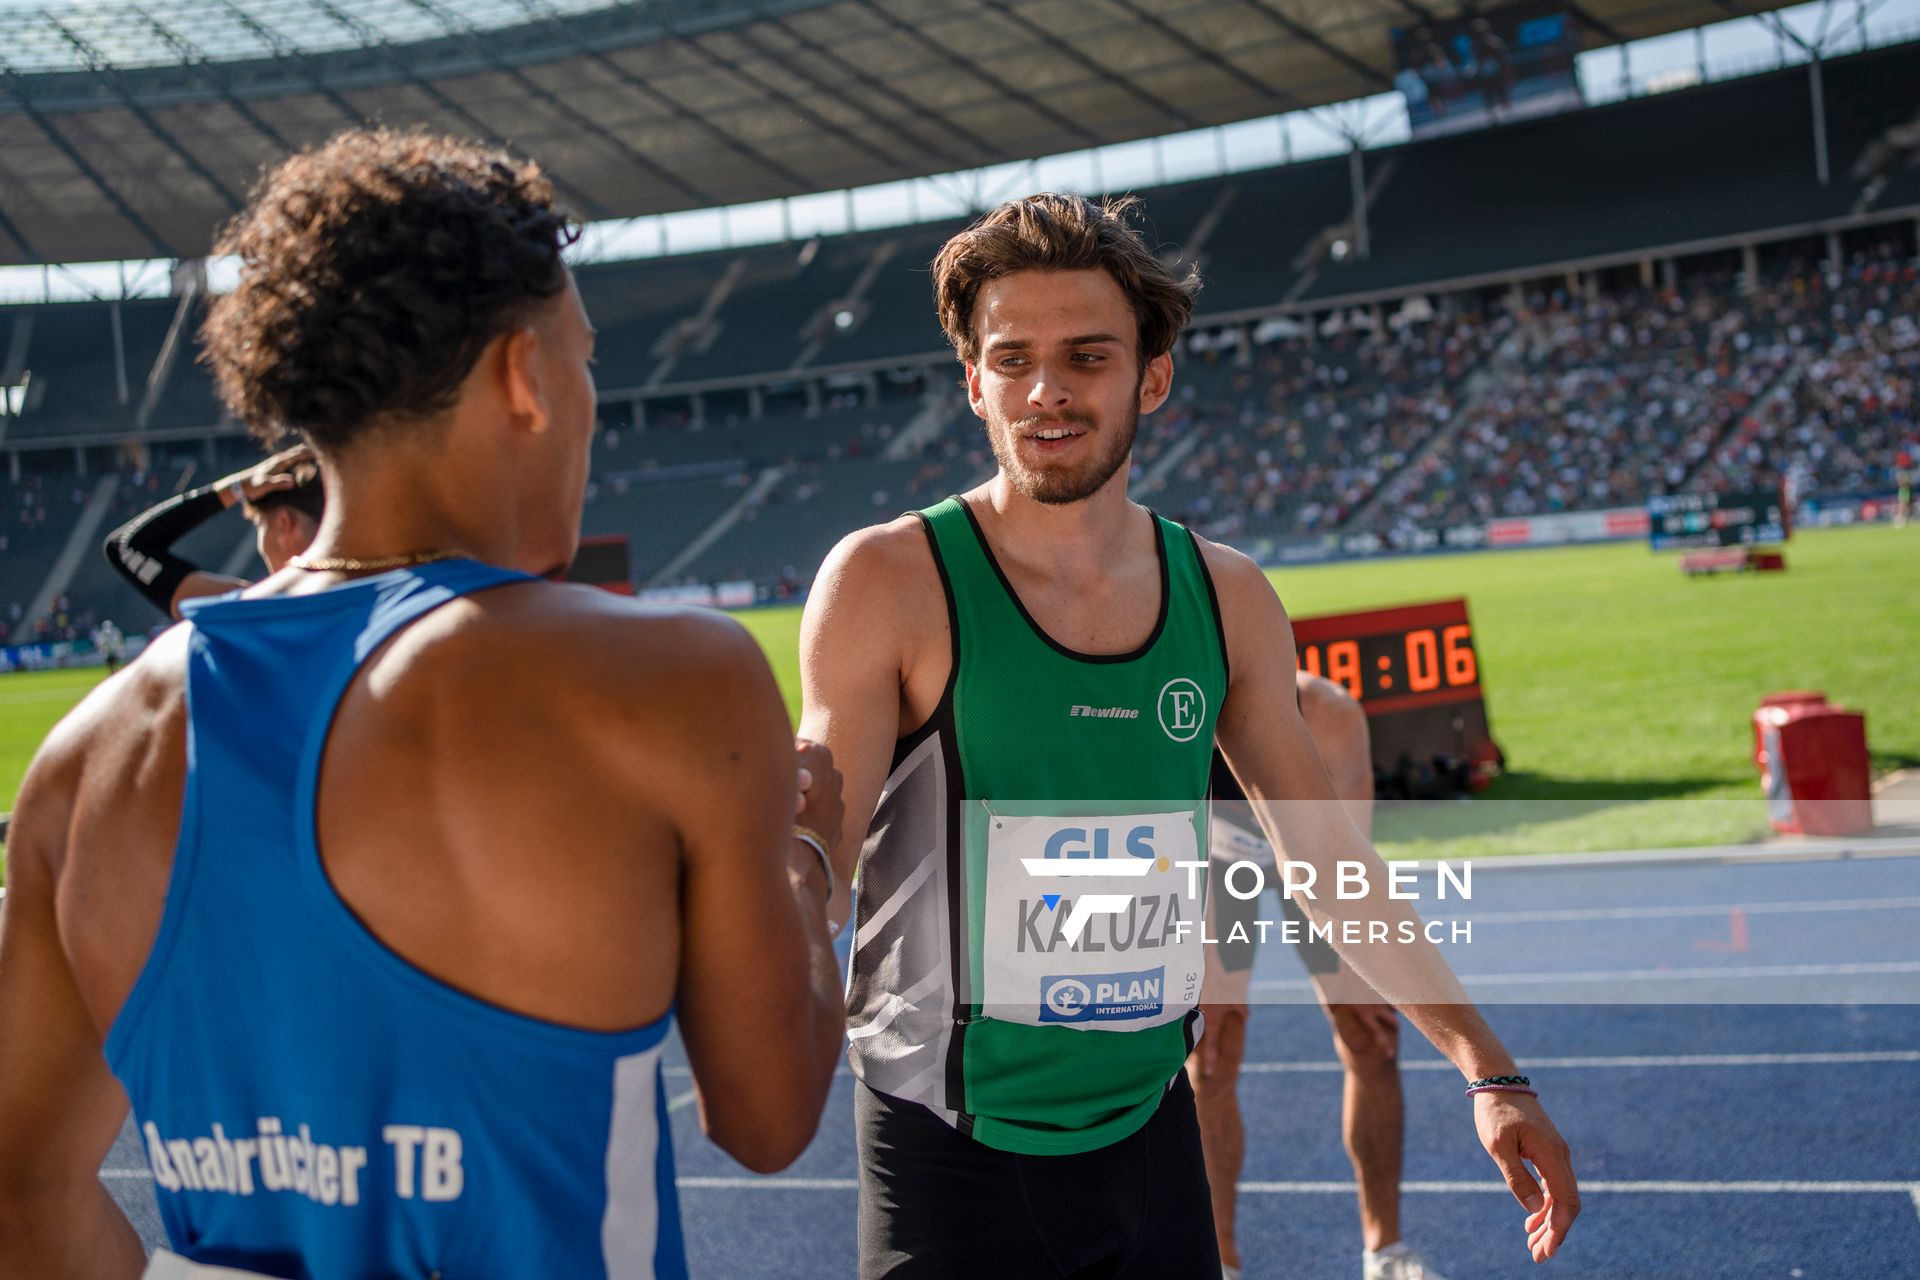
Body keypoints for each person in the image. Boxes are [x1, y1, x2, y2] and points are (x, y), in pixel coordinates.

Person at [0, 129, 855, 1280]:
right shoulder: (667, 680)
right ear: (523, 374)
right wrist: (806, 857)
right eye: (584, 360)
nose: (589, 400)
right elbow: (768, 1116)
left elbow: (21, 1196)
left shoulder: (85, 760)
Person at [801, 192, 1578, 1279]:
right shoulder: (887, 581)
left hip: (1152, 1139)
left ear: (1151, 378)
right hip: (946, 1155)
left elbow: (1326, 859)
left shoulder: (1226, 597)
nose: (1046, 390)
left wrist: (1490, 1070)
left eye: (1087, 356)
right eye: (1012, 359)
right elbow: (817, 859)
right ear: (974, 382)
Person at [1193, 676, 1448, 1280]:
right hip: (1211, 856)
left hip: (1313, 857)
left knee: (1372, 1032)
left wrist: (1363, 974)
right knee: (1212, 1048)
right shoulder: (1185, 708)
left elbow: (1347, 860)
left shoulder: (1332, 716)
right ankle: (1220, 1260)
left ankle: (1386, 1251)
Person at [104, 444, 323, 621]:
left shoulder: (255, 610)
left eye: (259, 524)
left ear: (285, 523)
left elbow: (124, 545)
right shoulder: (344, 598)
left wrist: (238, 487)